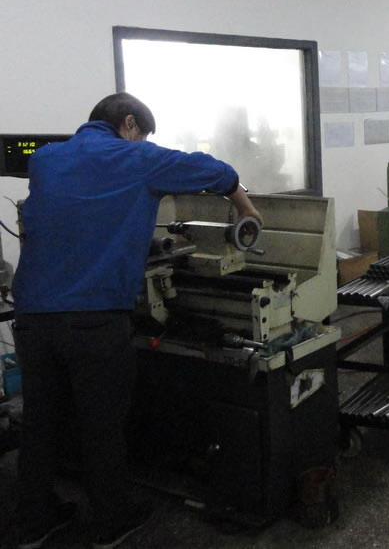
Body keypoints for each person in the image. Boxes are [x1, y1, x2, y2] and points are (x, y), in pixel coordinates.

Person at [12, 93, 261, 549]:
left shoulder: (45, 159)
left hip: (32, 315)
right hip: (92, 318)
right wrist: (245, 207)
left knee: (40, 421)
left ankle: (33, 523)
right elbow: (212, 170)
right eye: (143, 135)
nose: (143, 142)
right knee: (101, 423)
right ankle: (111, 521)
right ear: (129, 124)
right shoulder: (138, 158)